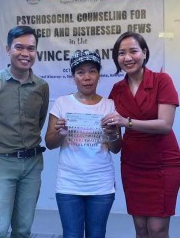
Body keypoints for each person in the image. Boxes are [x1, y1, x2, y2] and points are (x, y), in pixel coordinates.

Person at [102, 31, 180, 238]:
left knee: (157, 228)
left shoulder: (161, 80)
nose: (127, 58)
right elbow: (116, 146)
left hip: (162, 163)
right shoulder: (117, 90)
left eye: (133, 51)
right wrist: (110, 133)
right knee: (140, 228)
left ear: (144, 53)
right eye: (121, 53)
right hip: (133, 164)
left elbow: (165, 124)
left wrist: (125, 122)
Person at [0, 25, 49, 238]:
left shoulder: (41, 87)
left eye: (31, 48)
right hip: (3, 163)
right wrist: (4, 142)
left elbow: (39, 121)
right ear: (8, 49)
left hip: (33, 165)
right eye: (19, 47)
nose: (25, 54)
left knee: (23, 229)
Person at [45, 50, 122, 238]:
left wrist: (112, 134)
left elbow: (116, 148)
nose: (87, 77)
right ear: (73, 76)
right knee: (71, 235)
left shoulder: (109, 105)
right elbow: (49, 143)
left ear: (99, 75)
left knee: (97, 234)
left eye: (92, 71)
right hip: (69, 183)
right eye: (80, 72)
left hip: (101, 183)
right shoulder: (62, 104)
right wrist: (60, 134)